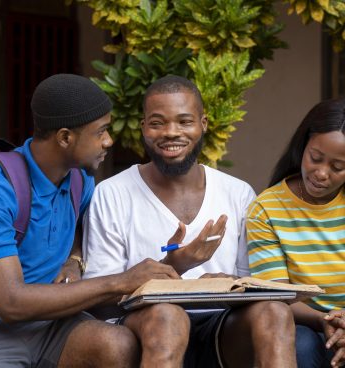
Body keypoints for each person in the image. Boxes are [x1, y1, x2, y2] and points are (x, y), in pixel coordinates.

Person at [83, 75, 298, 367]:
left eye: (185, 121)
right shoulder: (112, 193)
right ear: (143, 127)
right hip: (149, 327)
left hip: (221, 326)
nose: (171, 132)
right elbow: (100, 300)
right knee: (167, 316)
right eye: (158, 123)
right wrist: (174, 267)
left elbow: (252, 285)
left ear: (203, 124)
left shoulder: (238, 193)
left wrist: (231, 283)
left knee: (276, 312)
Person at [0, 73, 182, 368]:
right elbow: (10, 303)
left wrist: (75, 257)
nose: (109, 141)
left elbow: (80, 226)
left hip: (54, 323)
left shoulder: (78, 180)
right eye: (100, 132)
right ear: (64, 137)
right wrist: (119, 281)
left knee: (117, 344)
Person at [246, 98, 345, 368]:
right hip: (304, 322)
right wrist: (329, 321)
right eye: (315, 158)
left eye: (338, 168)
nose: (322, 173)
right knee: (298, 344)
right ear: (303, 146)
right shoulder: (266, 209)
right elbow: (277, 294)